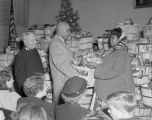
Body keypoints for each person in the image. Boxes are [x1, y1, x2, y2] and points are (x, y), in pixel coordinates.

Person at [94, 27, 134, 100]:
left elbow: (113, 72)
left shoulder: (121, 53)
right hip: (113, 95)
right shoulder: (115, 50)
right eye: (110, 38)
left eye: (113, 38)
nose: (110, 40)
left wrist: (97, 67)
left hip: (116, 96)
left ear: (120, 39)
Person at [49, 22, 81, 105]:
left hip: (65, 79)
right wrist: (76, 74)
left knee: (64, 107)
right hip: (61, 80)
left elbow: (64, 58)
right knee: (59, 106)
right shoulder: (56, 43)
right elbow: (61, 64)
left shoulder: (60, 41)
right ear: (61, 31)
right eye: (68, 31)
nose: (69, 33)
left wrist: (73, 59)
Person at [14, 32, 44, 96]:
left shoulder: (35, 51)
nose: (35, 42)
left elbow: (40, 68)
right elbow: (20, 79)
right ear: (25, 41)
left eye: (35, 40)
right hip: (30, 91)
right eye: (32, 40)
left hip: (40, 88)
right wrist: (25, 94)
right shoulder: (20, 55)